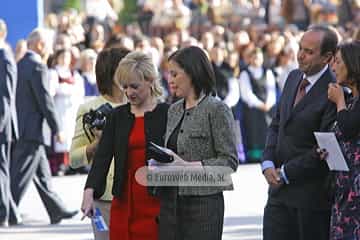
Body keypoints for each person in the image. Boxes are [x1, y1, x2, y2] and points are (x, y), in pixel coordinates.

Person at [261, 25, 339, 240]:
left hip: (310, 199)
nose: (300, 55)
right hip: (277, 194)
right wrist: (267, 163)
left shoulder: (335, 91)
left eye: (309, 51)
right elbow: (277, 124)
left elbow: (326, 147)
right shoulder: (294, 77)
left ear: (327, 57)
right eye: (300, 48)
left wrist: (286, 173)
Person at [81, 51, 168, 240]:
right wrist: (89, 191)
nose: (129, 93)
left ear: (150, 80)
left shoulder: (168, 113)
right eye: (125, 87)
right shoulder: (117, 116)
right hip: (124, 199)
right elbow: (103, 157)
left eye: (134, 86)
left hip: (157, 201)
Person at [154, 46, 238, 240]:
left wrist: (187, 167)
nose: (170, 80)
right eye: (169, 74)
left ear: (192, 73)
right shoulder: (173, 110)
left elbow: (229, 162)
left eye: (175, 74)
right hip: (170, 204)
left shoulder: (217, 109)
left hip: (203, 206)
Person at [10, 28, 78, 225]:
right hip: (31, 130)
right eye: (47, 44)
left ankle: (56, 210)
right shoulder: (37, 66)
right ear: (40, 45)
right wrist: (57, 129)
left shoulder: (20, 64)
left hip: (23, 127)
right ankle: (6, 210)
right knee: (20, 176)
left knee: (42, 174)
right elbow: (45, 100)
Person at [70, 47, 130, 240]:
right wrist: (96, 145)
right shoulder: (90, 109)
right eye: (127, 67)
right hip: (105, 199)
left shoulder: (143, 104)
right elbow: (74, 160)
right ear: (113, 74)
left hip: (140, 195)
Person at [325, 41, 360, 239]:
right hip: (344, 189)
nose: (333, 67)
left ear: (352, 63)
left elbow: (348, 128)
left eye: (338, 62)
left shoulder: (346, 101)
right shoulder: (351, 99)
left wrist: (339, 101)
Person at [0, 19, 20, 227]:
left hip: (2, 125)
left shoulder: (5, 57)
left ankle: (3, 214)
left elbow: (6, 96)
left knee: (1, 172)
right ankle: (11, 213)